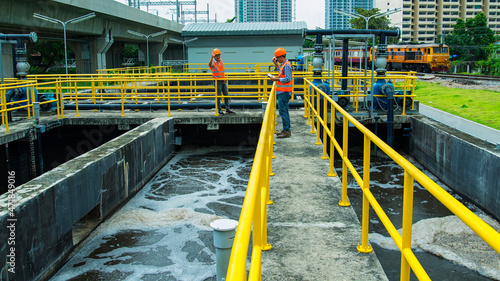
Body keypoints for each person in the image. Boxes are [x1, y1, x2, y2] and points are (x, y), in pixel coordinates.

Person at [269, 47, 293, 138]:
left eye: (277, 58)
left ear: (280, 57)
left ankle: (287, 130)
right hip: (282, 92)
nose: (277, 59)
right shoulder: (283, 65)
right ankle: (285, 129)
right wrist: (275, 64)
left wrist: (275, 79)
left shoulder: (286, 65)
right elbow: (281, 71)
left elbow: (287, 78)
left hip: (284, 92)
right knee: (283, 111)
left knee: (283, 111)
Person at [208, 48, 235, 115]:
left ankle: (227, 109)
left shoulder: (221, 61)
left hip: (223, 80)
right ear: (214, 56)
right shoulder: (213, 62)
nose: (218, 57)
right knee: (218, 96)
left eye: (219, 55)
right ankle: (219, 110)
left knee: (226, 95)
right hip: (217, 81)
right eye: (217, 55)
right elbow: (210, 65)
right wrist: (212, 56)